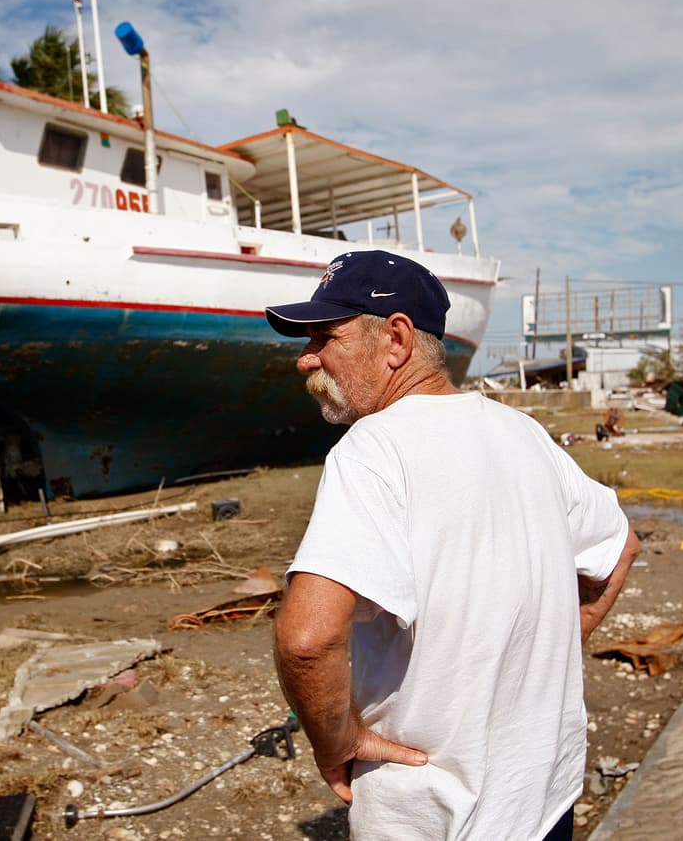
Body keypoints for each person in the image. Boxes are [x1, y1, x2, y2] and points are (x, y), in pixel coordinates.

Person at [265, 250, 639, 840]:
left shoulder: (373, 450)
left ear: (395, 338)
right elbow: (618, 550)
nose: (305, 358)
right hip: (544, 795)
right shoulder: (523, 433)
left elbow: (307, 639)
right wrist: (556, 649)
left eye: (323, 336)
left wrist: (336, 742)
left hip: (436, 813)